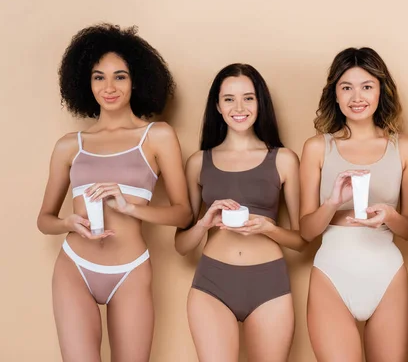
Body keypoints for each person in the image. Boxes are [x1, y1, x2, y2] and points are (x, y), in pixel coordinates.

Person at [37, 23, 192, 362]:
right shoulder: (69, 146)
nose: (109, 87)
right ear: (85, 83)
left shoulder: (157, 136)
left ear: (136, 80)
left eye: (120, 76)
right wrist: (68, 224)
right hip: (74, 266)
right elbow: (44, 219)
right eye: (99, 77)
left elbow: (183, 212)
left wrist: (131, 207)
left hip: (131, 269)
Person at [174, 63, 306, 362]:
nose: (239, 107)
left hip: (269, 284)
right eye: (229, 98)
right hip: (212, 284)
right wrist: (204, 223)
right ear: (217, 106)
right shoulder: (198, 162)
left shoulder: (284, 160)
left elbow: (301, 241)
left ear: (260, 103)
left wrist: (268, 228)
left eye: (248, 97)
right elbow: (181, 246)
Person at [299, 47, 408, 361]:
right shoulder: (317, 148)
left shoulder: (406, 148)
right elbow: (306, 230)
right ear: (335, 95)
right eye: (347, 87)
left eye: (367, 86)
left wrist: (390, 215)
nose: (357, 96)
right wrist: (332, 204)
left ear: (381, 91)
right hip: (332, 273)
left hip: (386, 271)